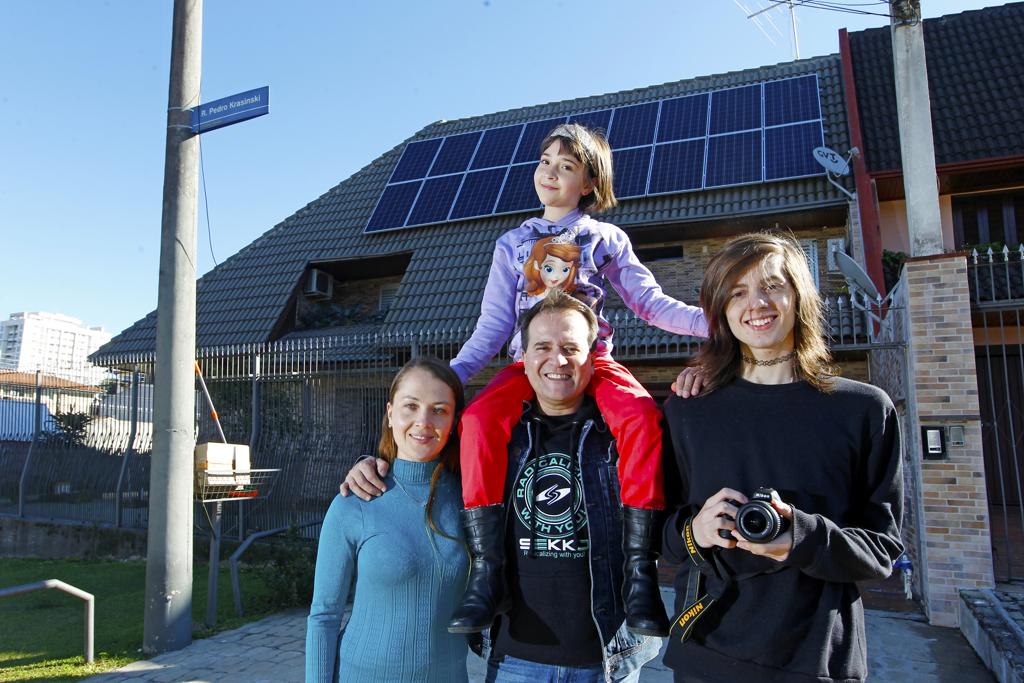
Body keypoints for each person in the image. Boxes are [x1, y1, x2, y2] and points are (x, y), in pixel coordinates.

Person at [449, 122, 708, 636]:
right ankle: (487, 573)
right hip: (527, 364)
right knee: (477, 419)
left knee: (638, 415)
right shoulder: (511, 243)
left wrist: (718, 324)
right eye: (545, 161)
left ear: (588, 183)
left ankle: (639, 575)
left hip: (592, 362)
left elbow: (648, 303)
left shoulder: (605, 238)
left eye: (566, 166)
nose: (551, 172)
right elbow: (492, 329)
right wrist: (441, 380)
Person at [345, 290, 662, 682]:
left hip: (607, 660)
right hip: (516, 661)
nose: (557, 360)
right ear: (523, 357)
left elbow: (677, 503)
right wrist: (370, 463)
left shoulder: (626, 434)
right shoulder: (494, 434)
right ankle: (487, 575)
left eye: (570, 347)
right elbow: (420, 450)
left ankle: (640, 576)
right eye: (543, 346)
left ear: (592, 355)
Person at [659, 232, 905, 683]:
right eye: (737, 292)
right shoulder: (688, 410)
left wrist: (801, 537)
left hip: (816, 662)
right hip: (705, 658)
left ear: (799, 297)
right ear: (719, 311)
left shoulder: (864, 410)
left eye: (772, 286)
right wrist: (696, 529)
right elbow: (661, 536)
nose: (757, 303)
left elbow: (882, 550)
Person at [306, 357, 469, 683]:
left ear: (453, 422)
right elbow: (324, 616)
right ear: (391, 413)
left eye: (439, 409)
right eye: (411, 406)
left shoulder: (472, 498)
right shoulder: (355, 501)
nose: (423, 420)